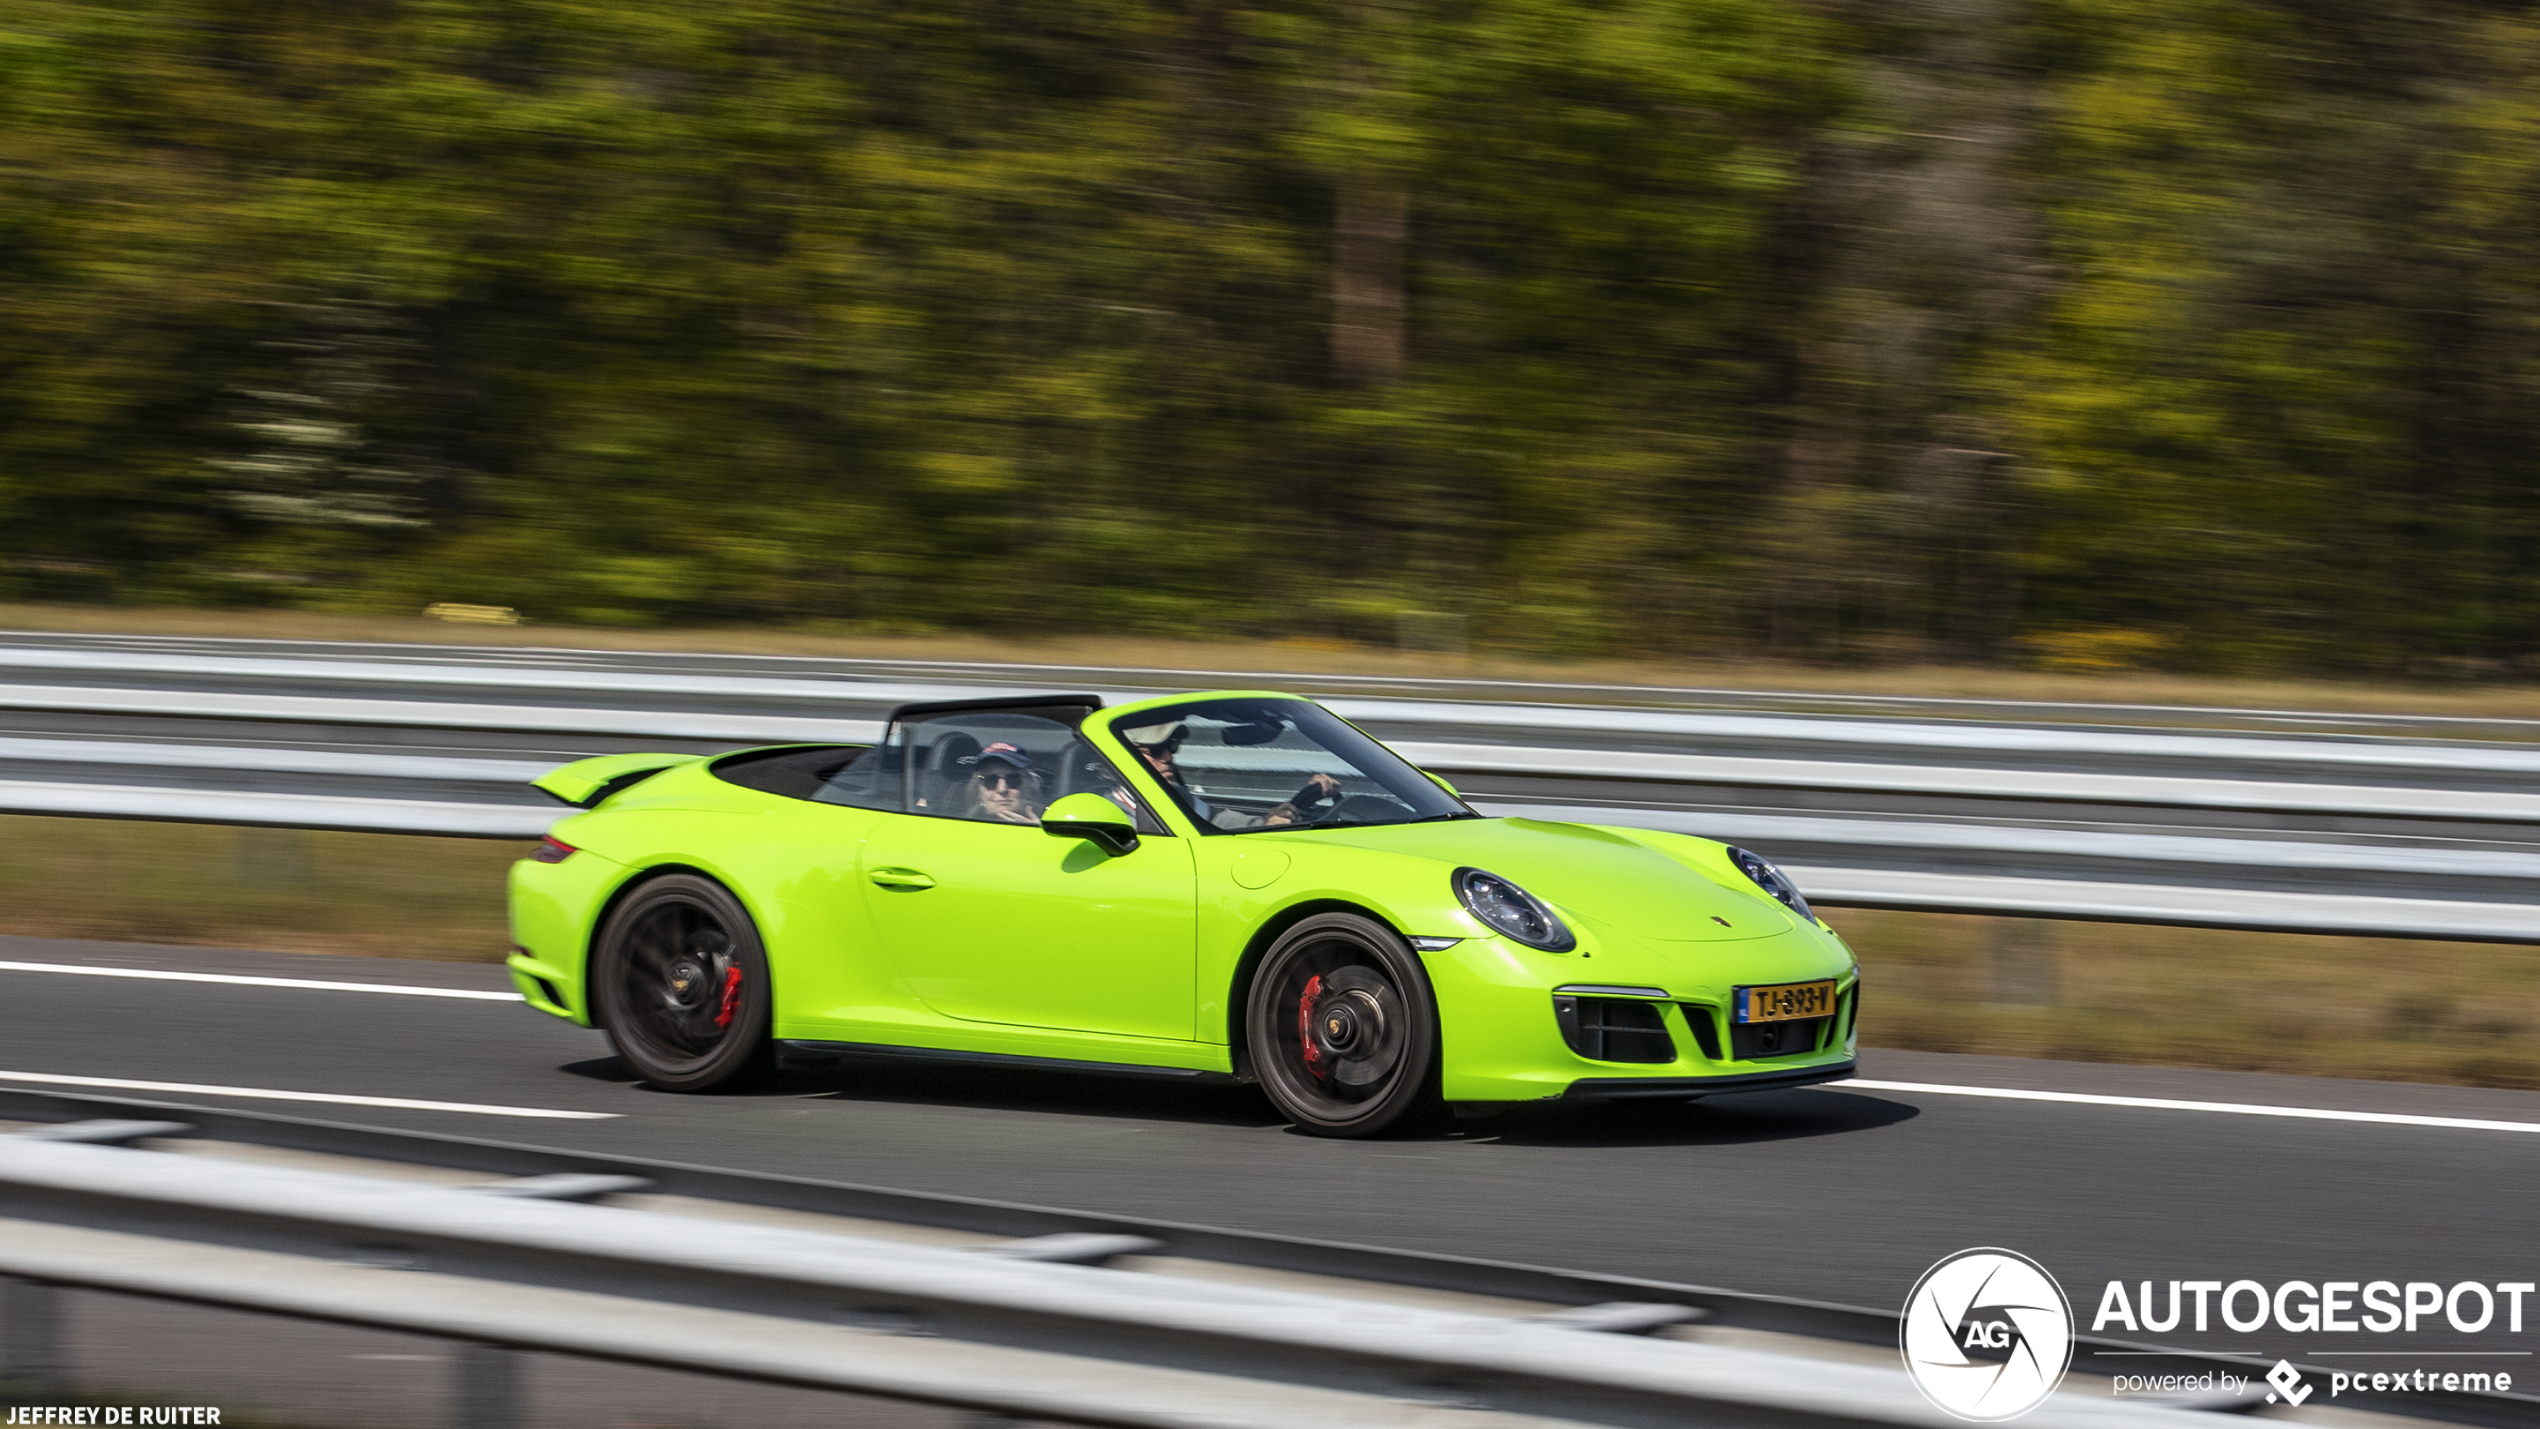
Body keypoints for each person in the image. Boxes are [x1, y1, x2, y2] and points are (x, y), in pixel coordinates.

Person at [1120, 721, 1339, 829]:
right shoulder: (1111, 812)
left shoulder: (1178, 798)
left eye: (1172, 746)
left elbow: (1227, 824)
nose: (1168, 757)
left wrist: (1285, 812)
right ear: (1123, 755)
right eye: (1156, 750)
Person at [957, 742, 1041, 824]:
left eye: (1013, 779)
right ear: (978, 790)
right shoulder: (958, 826)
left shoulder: (1049, 827)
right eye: (990, 780)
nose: (1001, 789)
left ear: (1030, 786)